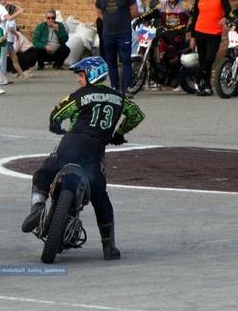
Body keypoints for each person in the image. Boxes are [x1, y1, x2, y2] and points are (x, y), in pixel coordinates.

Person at [21, 56, 145, 261]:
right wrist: (118, 134)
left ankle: (37, 206)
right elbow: (136, 115)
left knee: (44, 173)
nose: (79, 79)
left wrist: (55, 126)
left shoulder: (80, 95)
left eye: (81, 75)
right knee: (100, 195)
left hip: (72, 143)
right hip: (95, 150)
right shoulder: (119, 97)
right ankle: (109, 247)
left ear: (91, 74)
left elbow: (58, 112)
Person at [135, 0, 191, 90]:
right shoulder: (163, 5)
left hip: (178, 34)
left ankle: (176, 75)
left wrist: (191, 27)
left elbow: (196, 15)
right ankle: (158, 70)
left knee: (170, 52)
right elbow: (152, 12)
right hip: (165, 33)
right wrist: (139, 19)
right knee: (156, 47)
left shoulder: (184, 5)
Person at [95, 0, 138, 94]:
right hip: (108, 34)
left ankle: (127, 87)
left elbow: (134, 11)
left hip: (123, 33)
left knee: (125, 60)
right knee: (111, 61)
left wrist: (123, 19)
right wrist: (109, 20)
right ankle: (114, 87)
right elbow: (99, 13)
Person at [190, 0, 231, 96]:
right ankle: (206, 85)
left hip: (214, 33)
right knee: (202, 59)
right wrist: (193, 36)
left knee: (209, 59)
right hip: (200, 32)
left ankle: (199, 78)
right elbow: (195, 17)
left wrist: (225, 17)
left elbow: (228, 9)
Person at [0, 0, 24, 86]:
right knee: (1, 58)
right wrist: (20, 11)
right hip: (1, 34)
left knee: (0, 57)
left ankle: (2, 78)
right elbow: (9, 18)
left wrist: (10, 4)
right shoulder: (1, 8)